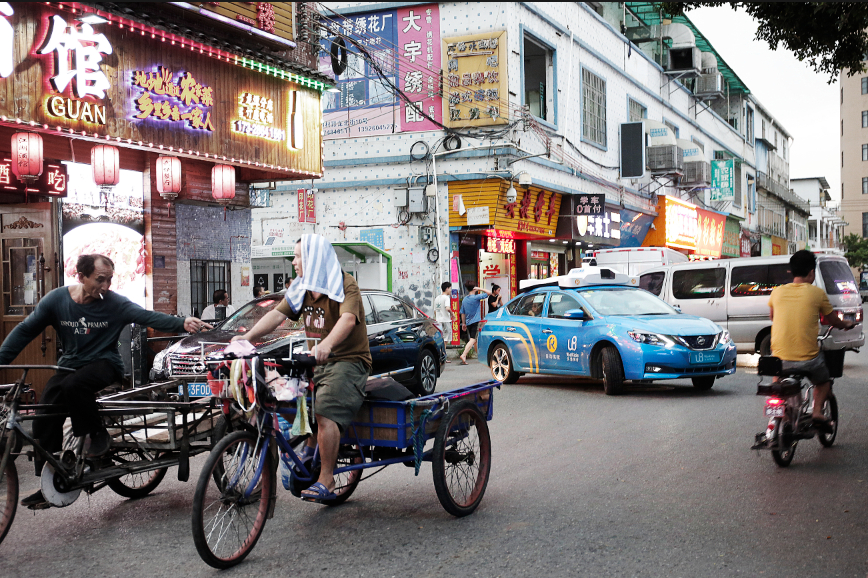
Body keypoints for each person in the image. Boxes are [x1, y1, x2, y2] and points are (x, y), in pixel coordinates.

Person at [0, 254, 209, 508]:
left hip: (105, 364)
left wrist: (182, 323)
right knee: (45, 415)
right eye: (100, 279)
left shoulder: (115, 304)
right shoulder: (56, 300)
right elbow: (25, 330)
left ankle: (96, 435)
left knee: (74, 386)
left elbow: (146, 316)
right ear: (81, 276)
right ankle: (51, 480)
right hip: (70, 365)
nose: (106, 286)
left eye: (109, 280)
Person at [232, 234, 371, 503]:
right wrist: (247, 338)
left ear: (314, 259)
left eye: (298, 257)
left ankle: (327, 479)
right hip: (313, 362)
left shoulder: (344, 284)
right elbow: (277, 314)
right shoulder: (301, 287)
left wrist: (327, 345)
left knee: (324, 411)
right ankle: (309, 450)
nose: (294, 262)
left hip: (348, 361)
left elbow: (347, 319)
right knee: (284, 400)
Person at [768, 250, 856, 432]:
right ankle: (816, 413)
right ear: (811, 272)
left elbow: (772, 317)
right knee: (824, 381)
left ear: (792, 271)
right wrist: (846, 324)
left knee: (778, 381)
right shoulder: (817, 293)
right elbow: (833, 320)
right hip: (807, 360)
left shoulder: (777, 292)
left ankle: (781, 413)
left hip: (779, 360)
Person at [459, 283, 491, 365]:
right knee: (473, 339)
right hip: (476, 321)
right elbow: (489, 293)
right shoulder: (476, 297)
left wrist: (463, 323)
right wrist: (479, 288)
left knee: (475, 340)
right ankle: (464, 355)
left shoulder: (465, 299)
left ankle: (478, 356)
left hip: (468, 322)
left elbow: (462, 312)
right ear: (474, 289)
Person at [433, 282, 453, 363]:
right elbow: (447, 308)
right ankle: (443, 356)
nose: (451, 290)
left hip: (438, 321)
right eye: (450, 288)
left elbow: (435, 311)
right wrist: (452, 314)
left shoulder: (437, 298)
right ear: (447, 288)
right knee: (445, 339)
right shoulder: (446, 298)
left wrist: (438, 317)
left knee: (440, 338)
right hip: (445, 320)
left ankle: (440, 355)